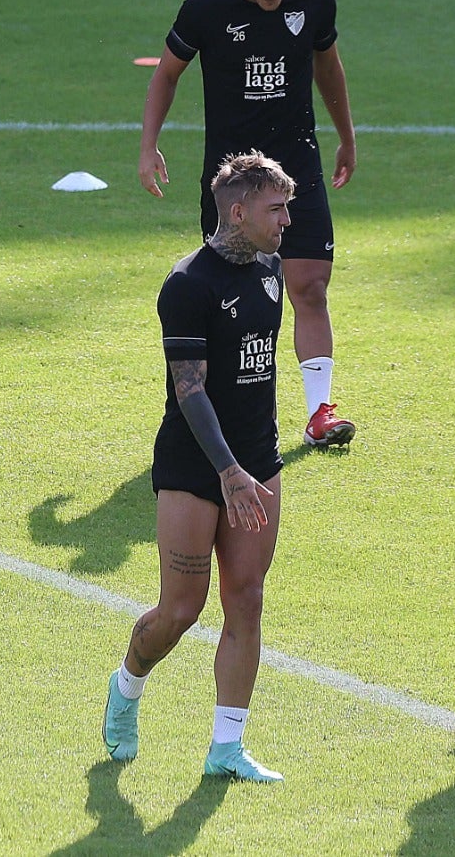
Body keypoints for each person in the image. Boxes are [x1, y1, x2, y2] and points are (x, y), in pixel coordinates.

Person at [102, 152, 295, 782]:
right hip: (194, 465)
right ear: (238, 212)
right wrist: (227, 471)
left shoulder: (273, 273)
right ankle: (128, 685)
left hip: (258, 461)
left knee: (247, 599)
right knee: (182, 608)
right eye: (276, 209)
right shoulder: (186, 285)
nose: (287, 220)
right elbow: (190, 391)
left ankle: (226, 748)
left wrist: (252, 466)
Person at [138, 0, 359, 448]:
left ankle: (319, 413)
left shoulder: (315, 2)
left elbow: (328, 67)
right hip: (233, 178)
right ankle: (213, 416)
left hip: (297, 168)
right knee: (227, 295)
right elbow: (167, 73)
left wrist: (346, 137)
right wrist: (149, 145)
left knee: (309, 285)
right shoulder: (206, 8)